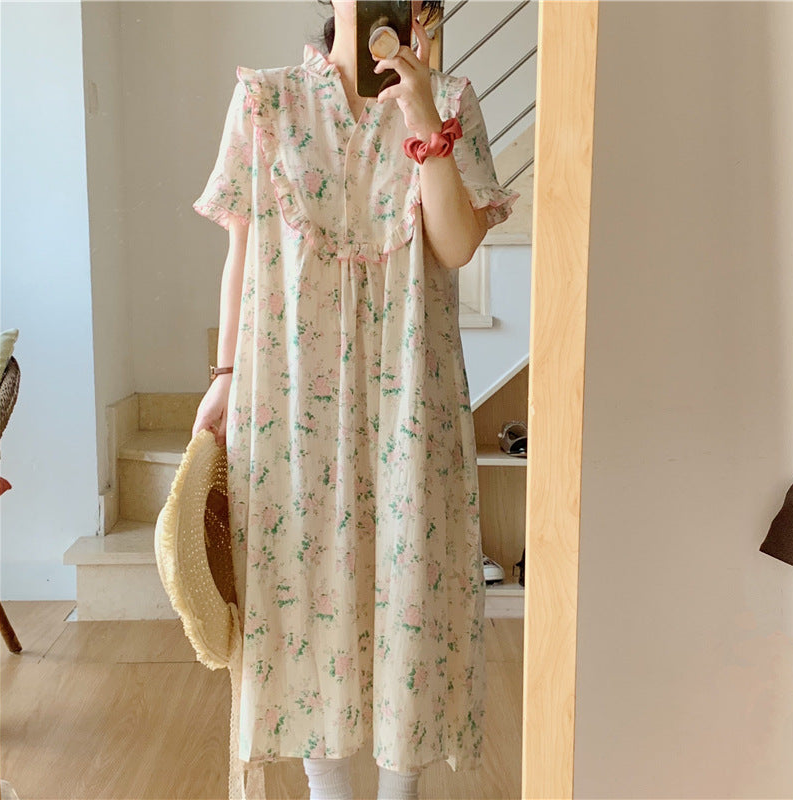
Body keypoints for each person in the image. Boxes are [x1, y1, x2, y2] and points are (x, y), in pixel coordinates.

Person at [191, 1, 519, 797]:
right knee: (303, 591)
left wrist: (424, 118)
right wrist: (225, 376)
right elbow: (240, 252)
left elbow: (456, 244)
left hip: (412, 394)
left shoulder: (452, 99)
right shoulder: (265, 101)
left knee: (415, 588)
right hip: (289, 393)